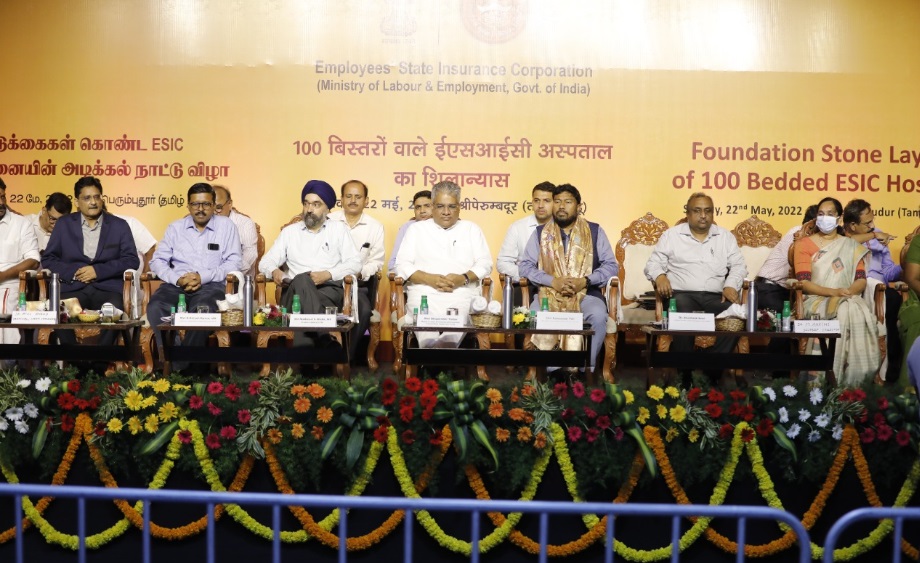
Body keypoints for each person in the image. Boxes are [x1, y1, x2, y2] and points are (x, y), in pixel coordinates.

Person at [644, 192, 747, 386]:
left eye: (708, 211)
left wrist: (730, 285)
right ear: (688, 213)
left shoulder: (725, 237)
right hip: (681, 295)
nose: (703, 216)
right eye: (697, 211)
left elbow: (739, 266)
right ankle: (685, 376)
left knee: (736, 317)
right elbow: (653, 263)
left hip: (716, 297)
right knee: (682, 312)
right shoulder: (672, 236)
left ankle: (711, 372)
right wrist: (660, 276)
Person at [518, 183, 617, 374]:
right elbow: (525, 266)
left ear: (579, 206)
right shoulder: (540, 233)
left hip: (586, 294)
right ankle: (550, 370)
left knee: (598, 315)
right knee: (535, 314)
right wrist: (552, 281)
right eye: (557, 201)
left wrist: (585, 281)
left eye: (568, 202)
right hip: (548, 294)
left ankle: (584, 368)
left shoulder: (595, 231)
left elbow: (611, 265)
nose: (561, 206)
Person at [259, 180, 361, 348]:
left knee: (304, 304)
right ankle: (324, 337)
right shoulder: (290, 232)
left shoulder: (338, 230)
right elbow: (265, 262)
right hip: (293, 294)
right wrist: (274, 271)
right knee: (302, 279)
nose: (309, 209)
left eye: (316, 204)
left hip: (328, 292)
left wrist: (327, 274)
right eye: (306, 204)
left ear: (328, 208)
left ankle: (305, 359)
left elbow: (355, 263)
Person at [147, 183, 241, 363]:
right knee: (156, 306)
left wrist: (202, 277)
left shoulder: (226, 226)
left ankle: (181, 366)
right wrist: (178, 279)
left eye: (206, 204)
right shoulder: (175, 228)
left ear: (214, 206)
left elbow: (234, 262)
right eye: (195, 204)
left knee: (202, 310)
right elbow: (157, 261)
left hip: (211, 286)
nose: (200, 209)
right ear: (188, 206)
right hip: (176, 286)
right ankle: (176, 360)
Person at [43, 176, 139, 350]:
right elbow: (48, 259)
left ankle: (99, 360)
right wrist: (75, 272)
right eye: (87, 198)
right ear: (77, 202)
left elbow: (131, 259)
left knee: (114, 311)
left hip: (107, 288)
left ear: (102, 198)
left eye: (96, 197)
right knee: (58, 309)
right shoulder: (64, 224)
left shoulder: (119, 225)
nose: (93, 202)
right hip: (72, 287)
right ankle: (74, 360)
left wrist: (98, 271)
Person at [394, 180, 492, 348]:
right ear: (432, 206)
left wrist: (463, 278)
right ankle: (433, 355)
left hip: (461, 293)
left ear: (459, 207)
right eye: (440, 206)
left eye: (452, 206)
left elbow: (485, 263)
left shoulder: (471, 229)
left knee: (455, 327)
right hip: (424, 293)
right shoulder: (416, 230)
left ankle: (438, 356)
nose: (446, 212)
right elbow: (402, 265)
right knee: (426, 331)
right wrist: (429, 279)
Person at [793, 196, 880, 385]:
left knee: (851, 308)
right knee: (846, 308)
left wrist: (846, 292)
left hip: (846, 297)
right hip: (815, 299)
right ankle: (831, 381)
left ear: (839, 218)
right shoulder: (804, 244)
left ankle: (853, 382)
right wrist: (835, 293)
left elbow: (861, 280)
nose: (825, 218)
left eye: (830, 214)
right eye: (821, 214)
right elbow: (803, 283)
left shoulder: (850, 245)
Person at [753, 205, 818, 375]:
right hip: (767, 288)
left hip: (782, 291)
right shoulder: (798, 235)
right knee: (788, 317)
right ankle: (764, 368)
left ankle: (780, 374)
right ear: (811, 224)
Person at [842, 198, 902, 382]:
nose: (873, 226)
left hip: (881, 290)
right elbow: (848, 243)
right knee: (890, 299)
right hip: (855, 289)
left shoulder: (877, 237)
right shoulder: (841, 237)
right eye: (867, 223)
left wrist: (906, 266)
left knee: (893, 299)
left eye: (872, 221)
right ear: (852, 225)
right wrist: (874, 235)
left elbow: (889, 272)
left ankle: (890, 372)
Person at [328, 179, 385, 363]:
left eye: (358, 197)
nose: (353, 200)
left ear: (366, 200)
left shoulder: (375, 227)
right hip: (328, 283)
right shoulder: (329, 221)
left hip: (357, 285)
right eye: (349, 196)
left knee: (364, 310)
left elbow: (376, 262)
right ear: (341, 199)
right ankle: (322, 357)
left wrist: (359, 272)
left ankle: (344, 358)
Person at [0, 178, 41, 347]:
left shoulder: (21, 224)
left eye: (3, 197)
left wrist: (3, 276)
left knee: (4, 303)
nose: (1, 202)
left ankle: (6, 361)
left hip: (7, 285)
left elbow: (33, 261)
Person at [496, 181, 555, 281]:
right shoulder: (517, 227)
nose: (540, 205)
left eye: (546, 201)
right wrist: (529, 276)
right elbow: (503, 262)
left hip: (557, 284)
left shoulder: (563, 227)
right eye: (536, 200)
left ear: (555, 203)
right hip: (525, 284)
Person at [213, 185, 259, 277]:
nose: (214, 212)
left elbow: (250, 254)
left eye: (218, 207)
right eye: (210, 207)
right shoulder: (202, 223)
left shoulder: (245, 223)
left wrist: (225, 273)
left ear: (229, 204)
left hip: (237, 279)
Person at [388, 190, 432, 273]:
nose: (422, 211)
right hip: (411, 274)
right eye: (418, 207)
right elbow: (393, 262)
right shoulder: (407, 227)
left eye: (427, 206)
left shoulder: (443, 227)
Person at [898, 227, 920, 389]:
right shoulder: (918, 242)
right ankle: (911, 391)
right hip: (918, 299)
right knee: (916, 320)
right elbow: (911, 279)